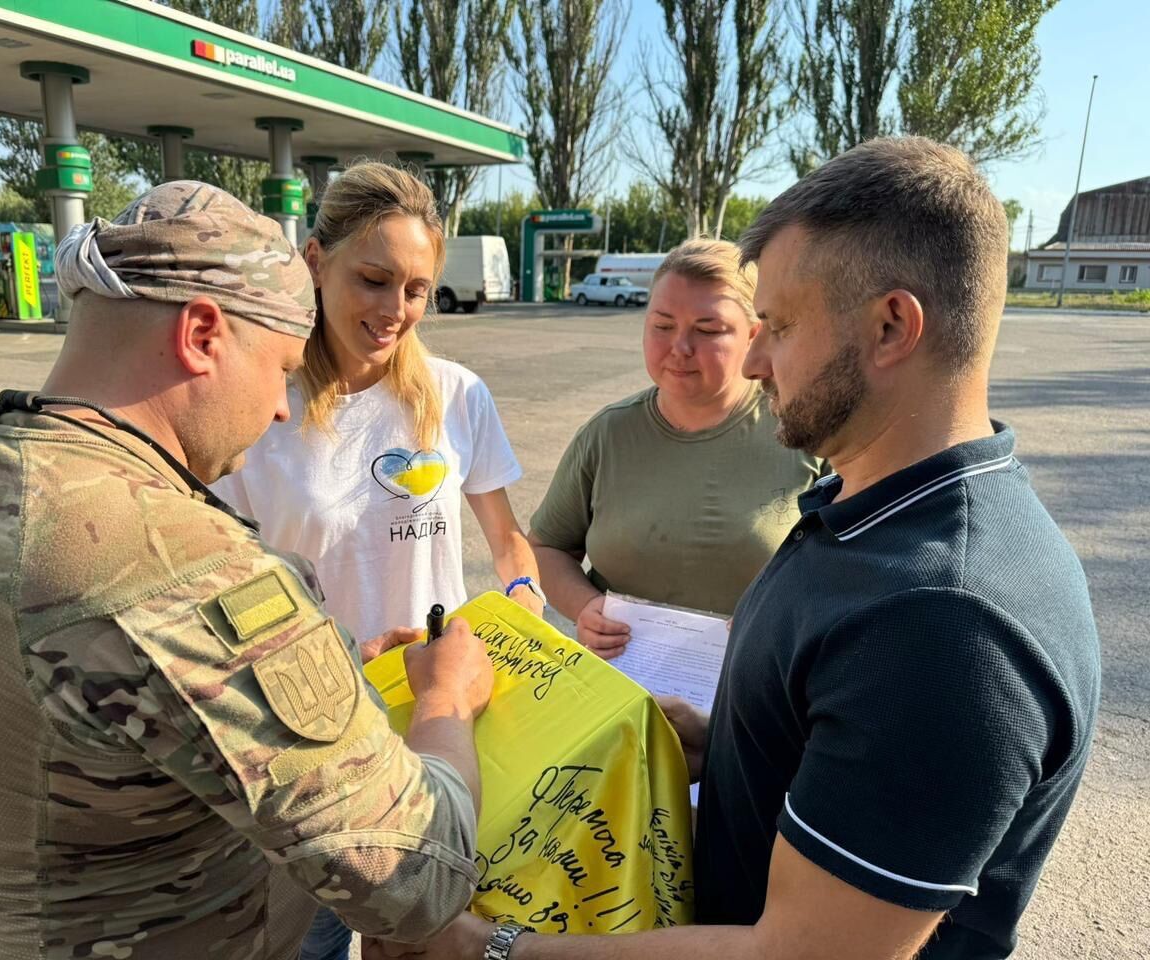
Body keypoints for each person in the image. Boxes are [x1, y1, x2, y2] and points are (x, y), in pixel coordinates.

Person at [364, 138, 1101, 960]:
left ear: (892, 326)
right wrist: (724, 740)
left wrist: (491, 951)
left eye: (777, 326)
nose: (752, 358)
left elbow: (799, 953)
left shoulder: (943, 623)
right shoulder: (870, 511)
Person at [0, 181, 495, 960]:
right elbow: (418, 872)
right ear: (200, 335)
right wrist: (446, 700)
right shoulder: (173, 563)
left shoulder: (6, 460)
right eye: (280, 367)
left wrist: (317, 675)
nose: (283, 408)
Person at [213, 161, 543, 960]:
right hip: (311, 742)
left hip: (438, 726)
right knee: (309, 943)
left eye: (418, 288)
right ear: (315, 262)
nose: (396, 310)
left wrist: (523, 596)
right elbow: (222, 590)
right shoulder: (262, 406)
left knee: (428, 941)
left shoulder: (457, 395)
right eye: (374, 278)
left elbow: (508, 543)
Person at [529, 238, 820, 658]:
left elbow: (855, 573)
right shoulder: (608, 434)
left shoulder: (805, 433)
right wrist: (586, 606)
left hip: (754, 699)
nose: (680, 348)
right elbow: (546, 548)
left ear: (754, 335)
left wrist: (783, 618)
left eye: (707, 330)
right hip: (619, 695)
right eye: (662, 326)